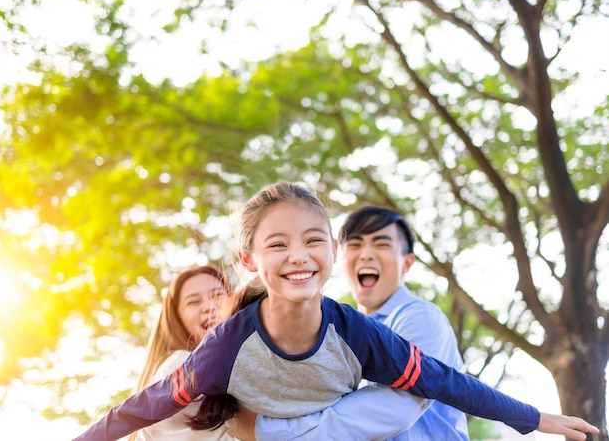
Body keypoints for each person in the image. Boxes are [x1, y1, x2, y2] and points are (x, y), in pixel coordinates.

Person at [72, 181, 599, 441]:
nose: (297, 256)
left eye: (313, 240)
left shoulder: (358, 333)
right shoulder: (227, 347)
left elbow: (444, 382)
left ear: (329, 252)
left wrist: (537, 418)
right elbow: (142, 408)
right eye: (277, 245)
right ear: (249, 259)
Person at [245, 205, 468, 440]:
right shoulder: (338, 331)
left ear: (407, 263)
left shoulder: (421, 318)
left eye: (382, 244)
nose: (366, 254)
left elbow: (397, 409)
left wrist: (266, 430)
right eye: (355, 244)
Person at [128, 265, 235, 441]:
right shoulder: (181, 367)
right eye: (193, 302)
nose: (209, 306)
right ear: (178, 319)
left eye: (218, 295)